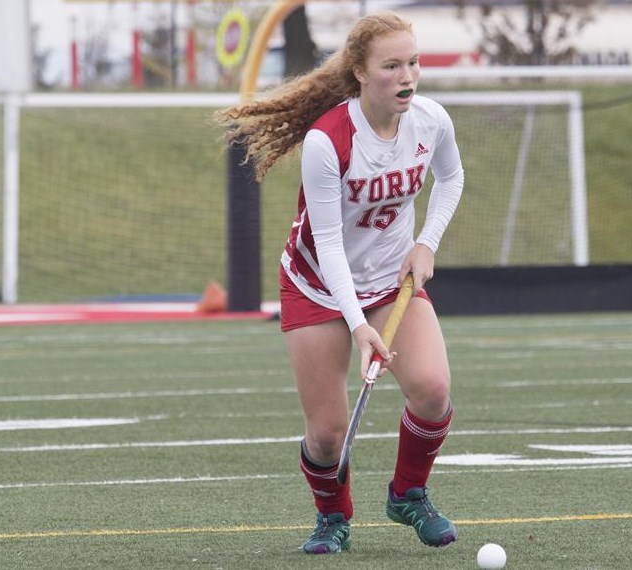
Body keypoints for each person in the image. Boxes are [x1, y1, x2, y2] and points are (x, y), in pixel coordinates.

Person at [216, 11, 463, 554]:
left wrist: (427, 243)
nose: (407, 76)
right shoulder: (328, 141)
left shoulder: (431, 120)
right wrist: (358, 327)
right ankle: (332, 517)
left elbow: (450, 178)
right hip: (317, 285)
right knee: (327, 435)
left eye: (413, 63)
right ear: (359, 72)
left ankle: (409, 494)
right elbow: (327, 245)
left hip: (391, 281)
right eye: (392, 65)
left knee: (433, 391)